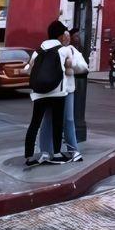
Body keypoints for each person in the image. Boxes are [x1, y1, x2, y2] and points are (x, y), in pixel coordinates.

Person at [23, 21, 75, 166]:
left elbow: (29, 68)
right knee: (57, 123)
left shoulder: (38, 50)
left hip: (39, 93)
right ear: (60, 35)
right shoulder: (64, 50)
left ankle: (29, 156)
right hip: (57, 92)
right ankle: (57, 154)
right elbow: (70, 68)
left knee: (35, 123)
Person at [37, 23, 88, 162]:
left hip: (60, 90)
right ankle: (50, 151)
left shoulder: (66, 50)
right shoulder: (50, 49)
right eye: (65, 34)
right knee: (53, 120)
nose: (67, 37)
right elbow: (83, 67)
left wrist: (70, 64)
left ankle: (67, 151)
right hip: (55, 90)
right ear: (60, 36)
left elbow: (83, 67)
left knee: (63, 120)